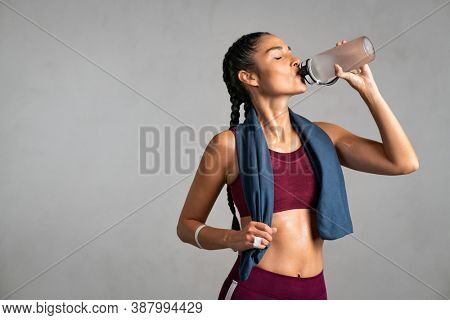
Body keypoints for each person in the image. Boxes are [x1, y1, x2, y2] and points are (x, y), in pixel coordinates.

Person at [176, 32, 419, 300]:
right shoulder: (228, 145)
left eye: (292, 52)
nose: (296, 60)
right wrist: (231, 238)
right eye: (279, 56)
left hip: (313, 292)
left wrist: (369, 91)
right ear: (250, 77)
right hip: (255, 290)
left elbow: (403, 162)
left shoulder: (326, 136)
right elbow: (186, 226)